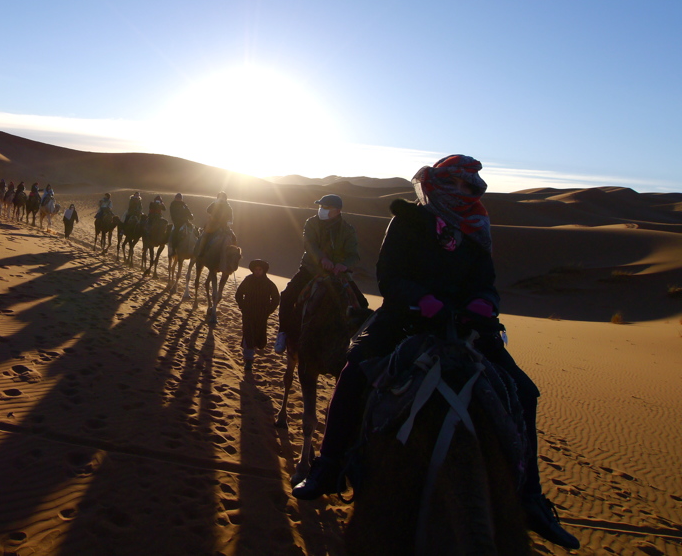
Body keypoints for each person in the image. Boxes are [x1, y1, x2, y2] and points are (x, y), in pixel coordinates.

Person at [290, 155, 579, 550]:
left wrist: (483, 303)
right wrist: (421, 298)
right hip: (407, 318)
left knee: (524, 391)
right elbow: (389, 275)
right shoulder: (409, 220)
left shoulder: (476, 228)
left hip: (464, 326)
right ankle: (329, 467)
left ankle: (530, 497)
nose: (461, 193)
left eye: (469, 187)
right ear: (435, 184)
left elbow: (486, 282)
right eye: (454, 184)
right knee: (355, 369)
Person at [277, 194, 368, 349]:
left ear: (338, 211)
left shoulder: (347, 230)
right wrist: (322, 259)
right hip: (311, 269)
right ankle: (283, 333)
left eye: (326, 207)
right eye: (320, 206)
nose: (321, 210)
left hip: (339, 274)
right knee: (287, 295)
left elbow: (354, 255)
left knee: (362, 304)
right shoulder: (311, 223)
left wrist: (343, 265)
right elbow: (309, 244)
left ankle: (357, 344)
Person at [234, 259, 281, 372]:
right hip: (248, 313)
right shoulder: (248, 280)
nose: (257, 272)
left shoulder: (269, 283)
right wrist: (243, 306)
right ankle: (248, 360)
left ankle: (251, 353)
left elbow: (276, 299)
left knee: (259, 337)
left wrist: (268, 311)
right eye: (256, 269)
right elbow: (239, 294)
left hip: (261, 315)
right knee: (248, 335)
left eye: (260, 270)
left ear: (263, 270)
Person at [194, 191, 234, 257]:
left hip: (224, 226)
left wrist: (230, 222)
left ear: (225, 199)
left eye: (223, 197)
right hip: (213, 224)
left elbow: (231, 216)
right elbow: (208, 210)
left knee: (233, 237)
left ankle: (231, 256)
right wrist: (215, 203)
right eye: (220, 197)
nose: (222, 199)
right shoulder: (215, 204)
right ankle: (201, 251)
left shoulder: (228, 207)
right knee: (205, 235)